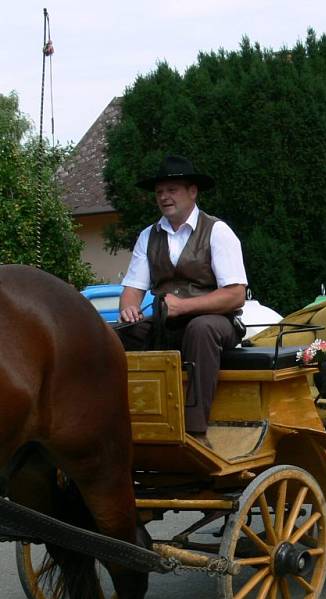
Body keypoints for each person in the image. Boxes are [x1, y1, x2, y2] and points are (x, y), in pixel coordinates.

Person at [116, 155, 248, 446]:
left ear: (192, 191)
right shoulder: (147, 236)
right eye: (160, 191)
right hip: (167, 324)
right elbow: (133, 288)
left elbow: (236, 294)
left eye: (172, 189)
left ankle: (196, 431)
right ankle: (125, 422)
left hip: (218, 324)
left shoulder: (217, 231)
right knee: (116, 336)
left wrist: (184, 306)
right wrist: (128, 307)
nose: (164, 197)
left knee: (200, 329)